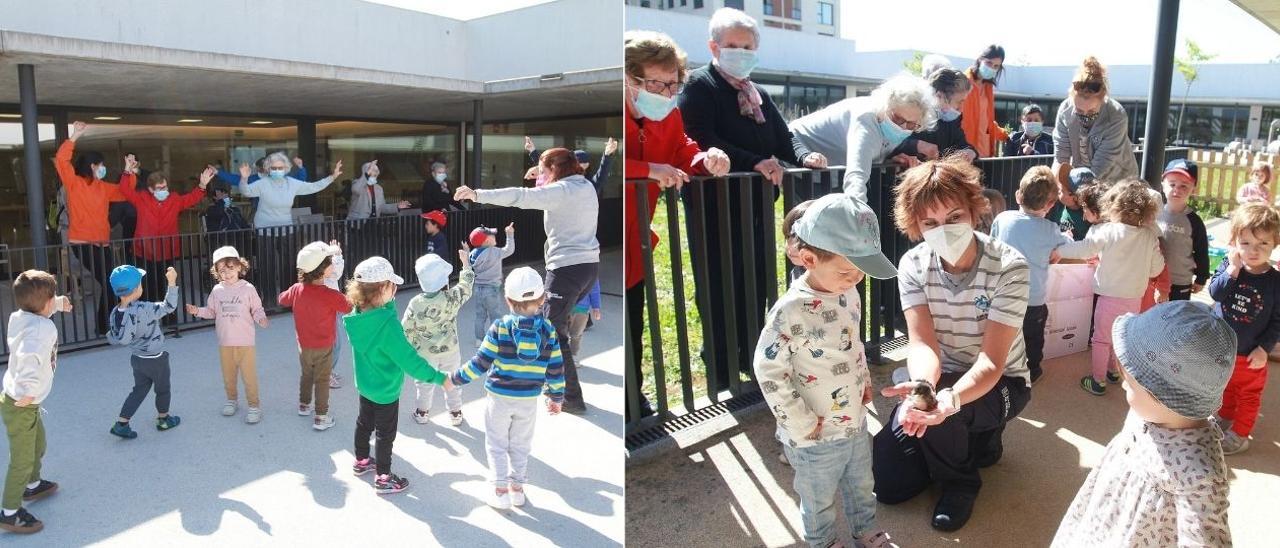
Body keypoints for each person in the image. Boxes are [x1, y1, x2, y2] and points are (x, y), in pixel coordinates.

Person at [872, 157, 1032, 532]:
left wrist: (949, 400)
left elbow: (992, 361)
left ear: (975, 212)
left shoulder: (1010, 266)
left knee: (944, 414)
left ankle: (960, 481)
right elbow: (922, 342)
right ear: (915, 225)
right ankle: (968, 441)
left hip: (1003, 380)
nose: (942, 229)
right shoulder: (913, 264)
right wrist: (924, 389)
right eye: (929, 223)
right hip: (943, 372)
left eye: (954, 216)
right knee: (889, 483)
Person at [754, 194, 897, 548]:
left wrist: (863, 381)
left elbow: (853, 343)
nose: (856, 280)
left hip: (854, 419)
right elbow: (768, 370)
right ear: (809, 259)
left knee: (862, 484)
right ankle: (822, 541)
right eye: (848, 271)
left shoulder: (848, 293)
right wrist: (799, 421)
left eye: (861, 272)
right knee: (818, 498)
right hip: (814, 433)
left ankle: (865, 529)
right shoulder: (790, 311)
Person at [1051, 301, 1234, 547]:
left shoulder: (1200, 475)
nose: (1123, 382)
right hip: (1102, 519)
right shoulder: (1145, 413)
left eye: (1130, 381)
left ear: (1163, 396)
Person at [623, 29, 730, 419]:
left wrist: (707, 159)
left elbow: (683, 148)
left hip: (636, 241)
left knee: (633, 319)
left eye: (673, 83)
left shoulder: (668, 112)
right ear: (628, 78)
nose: (668, 93)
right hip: (602, 239)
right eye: (657, 83)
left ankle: (634, 402)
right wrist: (648, 169)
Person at [455, 148, 604, 414]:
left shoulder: (561, 192)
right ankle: (555, 385)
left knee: (553, 333)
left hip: (566, 270)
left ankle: (569, 397)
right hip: (588, 267)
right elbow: (551, 187)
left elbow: (521, 196)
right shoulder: (585, 185)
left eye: (545, 173)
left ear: (555, 171)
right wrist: (542, 170)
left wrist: (477, 194)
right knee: (556, 327)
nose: (542, 178)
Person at [451, 266, 565, 510]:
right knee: (521, 445)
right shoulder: (548, 331)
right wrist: (556, 397)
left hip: (499, 398)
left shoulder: (500, 328)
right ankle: (517, 489)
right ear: (543, 298)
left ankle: (500, 489)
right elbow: (555, 369)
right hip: (528, 400)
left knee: (497, 444)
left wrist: (456, 378)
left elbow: (480, 363)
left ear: (507, 300)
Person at [344, 256, 452, 495]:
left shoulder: (358, 315)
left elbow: (380, 316)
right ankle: (383, 477)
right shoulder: (388, 327)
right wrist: (438, 378)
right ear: (382, 288)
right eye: (393, 286)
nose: (396, 289)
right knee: (385, 433)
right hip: (386, 390)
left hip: (365, 385)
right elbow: (410, 361)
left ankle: (361, 460)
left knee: (364, 423)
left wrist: (387, 304)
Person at [1057, 179, 1164, 395]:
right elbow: (1156, 269)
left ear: (1114, 205)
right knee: (1119, 337)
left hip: (1109, 298)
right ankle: (1113, 371)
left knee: (1101, 339)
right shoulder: (1149, 235)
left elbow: (1085, 250)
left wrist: (1060, 250)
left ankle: (1098, 381)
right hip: (1133, 299)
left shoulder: (1108, 230)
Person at [790, 74, 938, 201]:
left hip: (831, 168)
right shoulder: (865, 118)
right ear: (885, 107)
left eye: (912, 125)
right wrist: (860, 218)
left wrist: (887, 160)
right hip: (800, 155)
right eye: (898, 119)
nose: (903, 128)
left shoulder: (887, 122)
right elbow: (857, 176)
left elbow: (872, 151)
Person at [0, 271, 71, 535]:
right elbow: (29, 353)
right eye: (53, 297)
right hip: (22, 403)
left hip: (21, 401)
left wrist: (59, 302)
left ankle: (32, 485)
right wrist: (29, 390)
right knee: (21, 460)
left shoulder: (21, 317)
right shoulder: (41, 330)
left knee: (38, 444)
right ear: (45, 304)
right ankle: (9, 512)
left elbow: (38, 315)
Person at [989, 166, 1074, 384]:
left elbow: (992, 246)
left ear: (1018, 195)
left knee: (1003, 333)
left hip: (1002, 293)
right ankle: (1032, 369)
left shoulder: (1002, 219)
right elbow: (1069, 247)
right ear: (1051, 204)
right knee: (1032, 337)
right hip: (1033, 299)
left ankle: (1001, 368)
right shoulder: (1050, 229)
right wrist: (1067, 238)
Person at [1208, 203, 1280, 455]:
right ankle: (1225, 418)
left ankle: (1240, 434)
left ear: (1275, 244)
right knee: (1225, 387)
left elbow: (1277, 321)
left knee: (1248, 396)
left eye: (1263, 244)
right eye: (1246, 243)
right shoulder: (1229, 267)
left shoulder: (1275, 282)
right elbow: (1216, 293)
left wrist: (1264, 348)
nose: (1253, 251)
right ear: (1235, 241)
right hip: (1223, 348)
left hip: (1251, 354)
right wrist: (1233, 269)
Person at [118, 158, 213, 328]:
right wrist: (127, 171)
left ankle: (169, 319)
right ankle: (149, 319)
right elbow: (124, 189)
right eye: (159, 188)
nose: (164, 190)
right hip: (144, 250)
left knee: (168, 285)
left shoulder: (174, 199)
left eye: (165, 187)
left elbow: (191, 198)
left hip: (167, 250)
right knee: (147, 286)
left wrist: (202, 185)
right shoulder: (141, 199)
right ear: (150, 189)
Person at [55, 121, 126, 335]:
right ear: (91, 165)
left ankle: (106, 325)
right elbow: (61, 160)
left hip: (102, 243)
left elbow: (124, 193)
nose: (102, 168)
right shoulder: (74, 183)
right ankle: (105, 326)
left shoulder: (103, 187)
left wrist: (129, 173)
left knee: (113, 283)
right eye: (100, 164)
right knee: (110, 282)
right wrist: (74, 136)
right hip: (82, 243)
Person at [236, 153, 342, 292]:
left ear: (286, 168)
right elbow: (247, 191)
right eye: (274, 167)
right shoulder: (263, 183)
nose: (277, 170)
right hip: (265, 230)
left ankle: (290, 296)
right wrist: (244, 178)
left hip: (286, 229)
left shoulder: (292, 183)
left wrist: (332, 177)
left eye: (280, 167)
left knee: (289, 264)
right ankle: (269, 300)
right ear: (268, 168)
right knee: (267, 264)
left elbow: (312, 187)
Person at [185, 247, 268, 424]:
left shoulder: (248, 288)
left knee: (249, 376)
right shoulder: (217, 291)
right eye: (222, 270)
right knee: (228, 375)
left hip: (245, 342)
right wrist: (197, 311)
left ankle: (254, 406)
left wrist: (261, 318)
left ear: (239, 266)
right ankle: (232, 400)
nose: (227, 272)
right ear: (217, 272)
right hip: (225, 342)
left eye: (231, 267)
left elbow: (257, 308)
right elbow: (211, 311)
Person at [277, 242, 352, 431]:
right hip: (324, 347)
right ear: (320, 270)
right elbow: (348, 307)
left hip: (304, 345)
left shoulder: (296, 289)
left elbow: (281, 299)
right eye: (329, 262)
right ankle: (321, 416)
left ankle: (304, 405)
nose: (332, 265)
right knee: (322, 380)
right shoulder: (329, 294)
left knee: (307, 375)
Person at [105, 265, 182, 439]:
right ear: (137, 288)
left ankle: (122, 423)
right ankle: (164, 419)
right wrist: (172, 283)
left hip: (137, 359)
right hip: (156, 359)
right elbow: (169, 306)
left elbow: (115, 335)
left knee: (139, 390)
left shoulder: (115, 313)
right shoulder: (143, 309)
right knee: (163, 389)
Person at [403, 249, 475, 426]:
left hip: (425, 354)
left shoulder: (416, 303)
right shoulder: (451, 298)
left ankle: (422, 413)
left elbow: (406, 328)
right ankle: (456, 413)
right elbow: (466, 285)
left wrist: (414, 346)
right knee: (453, 381)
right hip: (451, 350)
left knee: (425, 383)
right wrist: (465, 263)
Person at [1051, 57, 1138, 198]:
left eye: (1091, 112)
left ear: (1103, 99)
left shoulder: (1116, 115)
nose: (1085, 115)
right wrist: (1060, 187)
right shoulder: (1065, 111)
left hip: (1118, 183)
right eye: (1079, 110)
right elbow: (1061, 157)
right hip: (1080, 180)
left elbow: (1100, 168)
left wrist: (1076, 193)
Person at [896, 64, 976, 163]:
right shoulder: (911, 111)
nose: (961, 109)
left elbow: (962, 144)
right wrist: (917, 145)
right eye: (959, 102)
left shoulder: (952, 121)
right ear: (939, 96)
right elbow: (888, 144)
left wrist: (970, 152)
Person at [1157, 159, 1210, 301]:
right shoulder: (1155, 214)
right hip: (1155, 278)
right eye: (1172, 184)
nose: (1177, 190)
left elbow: (1202, 251)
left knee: (1177, 317)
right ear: (1163, 184)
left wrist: (1201, 277)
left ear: (1194, 189)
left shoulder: (1194, 221)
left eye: (1184, 186)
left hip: (1180, 281)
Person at [468, 223, 516, 346]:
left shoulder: (473, 254)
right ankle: (496, 339)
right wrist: (509, 235)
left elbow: (468, 262)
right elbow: (509, 250)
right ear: (487, 240)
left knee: (480, 316)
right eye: (493, 236)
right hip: (491, 289)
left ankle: (479, 340)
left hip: (478, 288)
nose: (495, 237)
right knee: (495, 315)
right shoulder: (494, 252)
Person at [957, 45, 1008, 158]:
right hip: (965, 152)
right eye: (989, 63)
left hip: (984, 152)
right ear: (980, 59)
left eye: (996, 66)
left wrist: (1005, 135)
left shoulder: (988, 87)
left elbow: (987, 121)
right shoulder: (962, 82)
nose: (992, 68)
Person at [525, 137, 619, 192]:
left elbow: (602, 174)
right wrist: (532, 151)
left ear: (585, 165)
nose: (569, 164)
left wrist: (607, 155)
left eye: (574, 162)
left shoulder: (588, 185)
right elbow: (547, 166)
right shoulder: (562, 176)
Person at [346, 159, 411, 220]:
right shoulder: (357, 183)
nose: (376, 173)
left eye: (376, 172)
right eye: (373, 171)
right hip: (358, 224)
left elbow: (382, 207)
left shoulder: (379, 188)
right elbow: (357, 190)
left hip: (373, 223)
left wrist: (397, 206)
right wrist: (367, 173)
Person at [566, 279, 601, 357]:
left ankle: (573, 356)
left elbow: (594, 289)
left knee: (576, 334)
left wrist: (596, 307)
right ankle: (561, 356)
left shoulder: (591, 270)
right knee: (561, 334)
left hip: (581, 308)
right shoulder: (565, 268)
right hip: (564, 306)